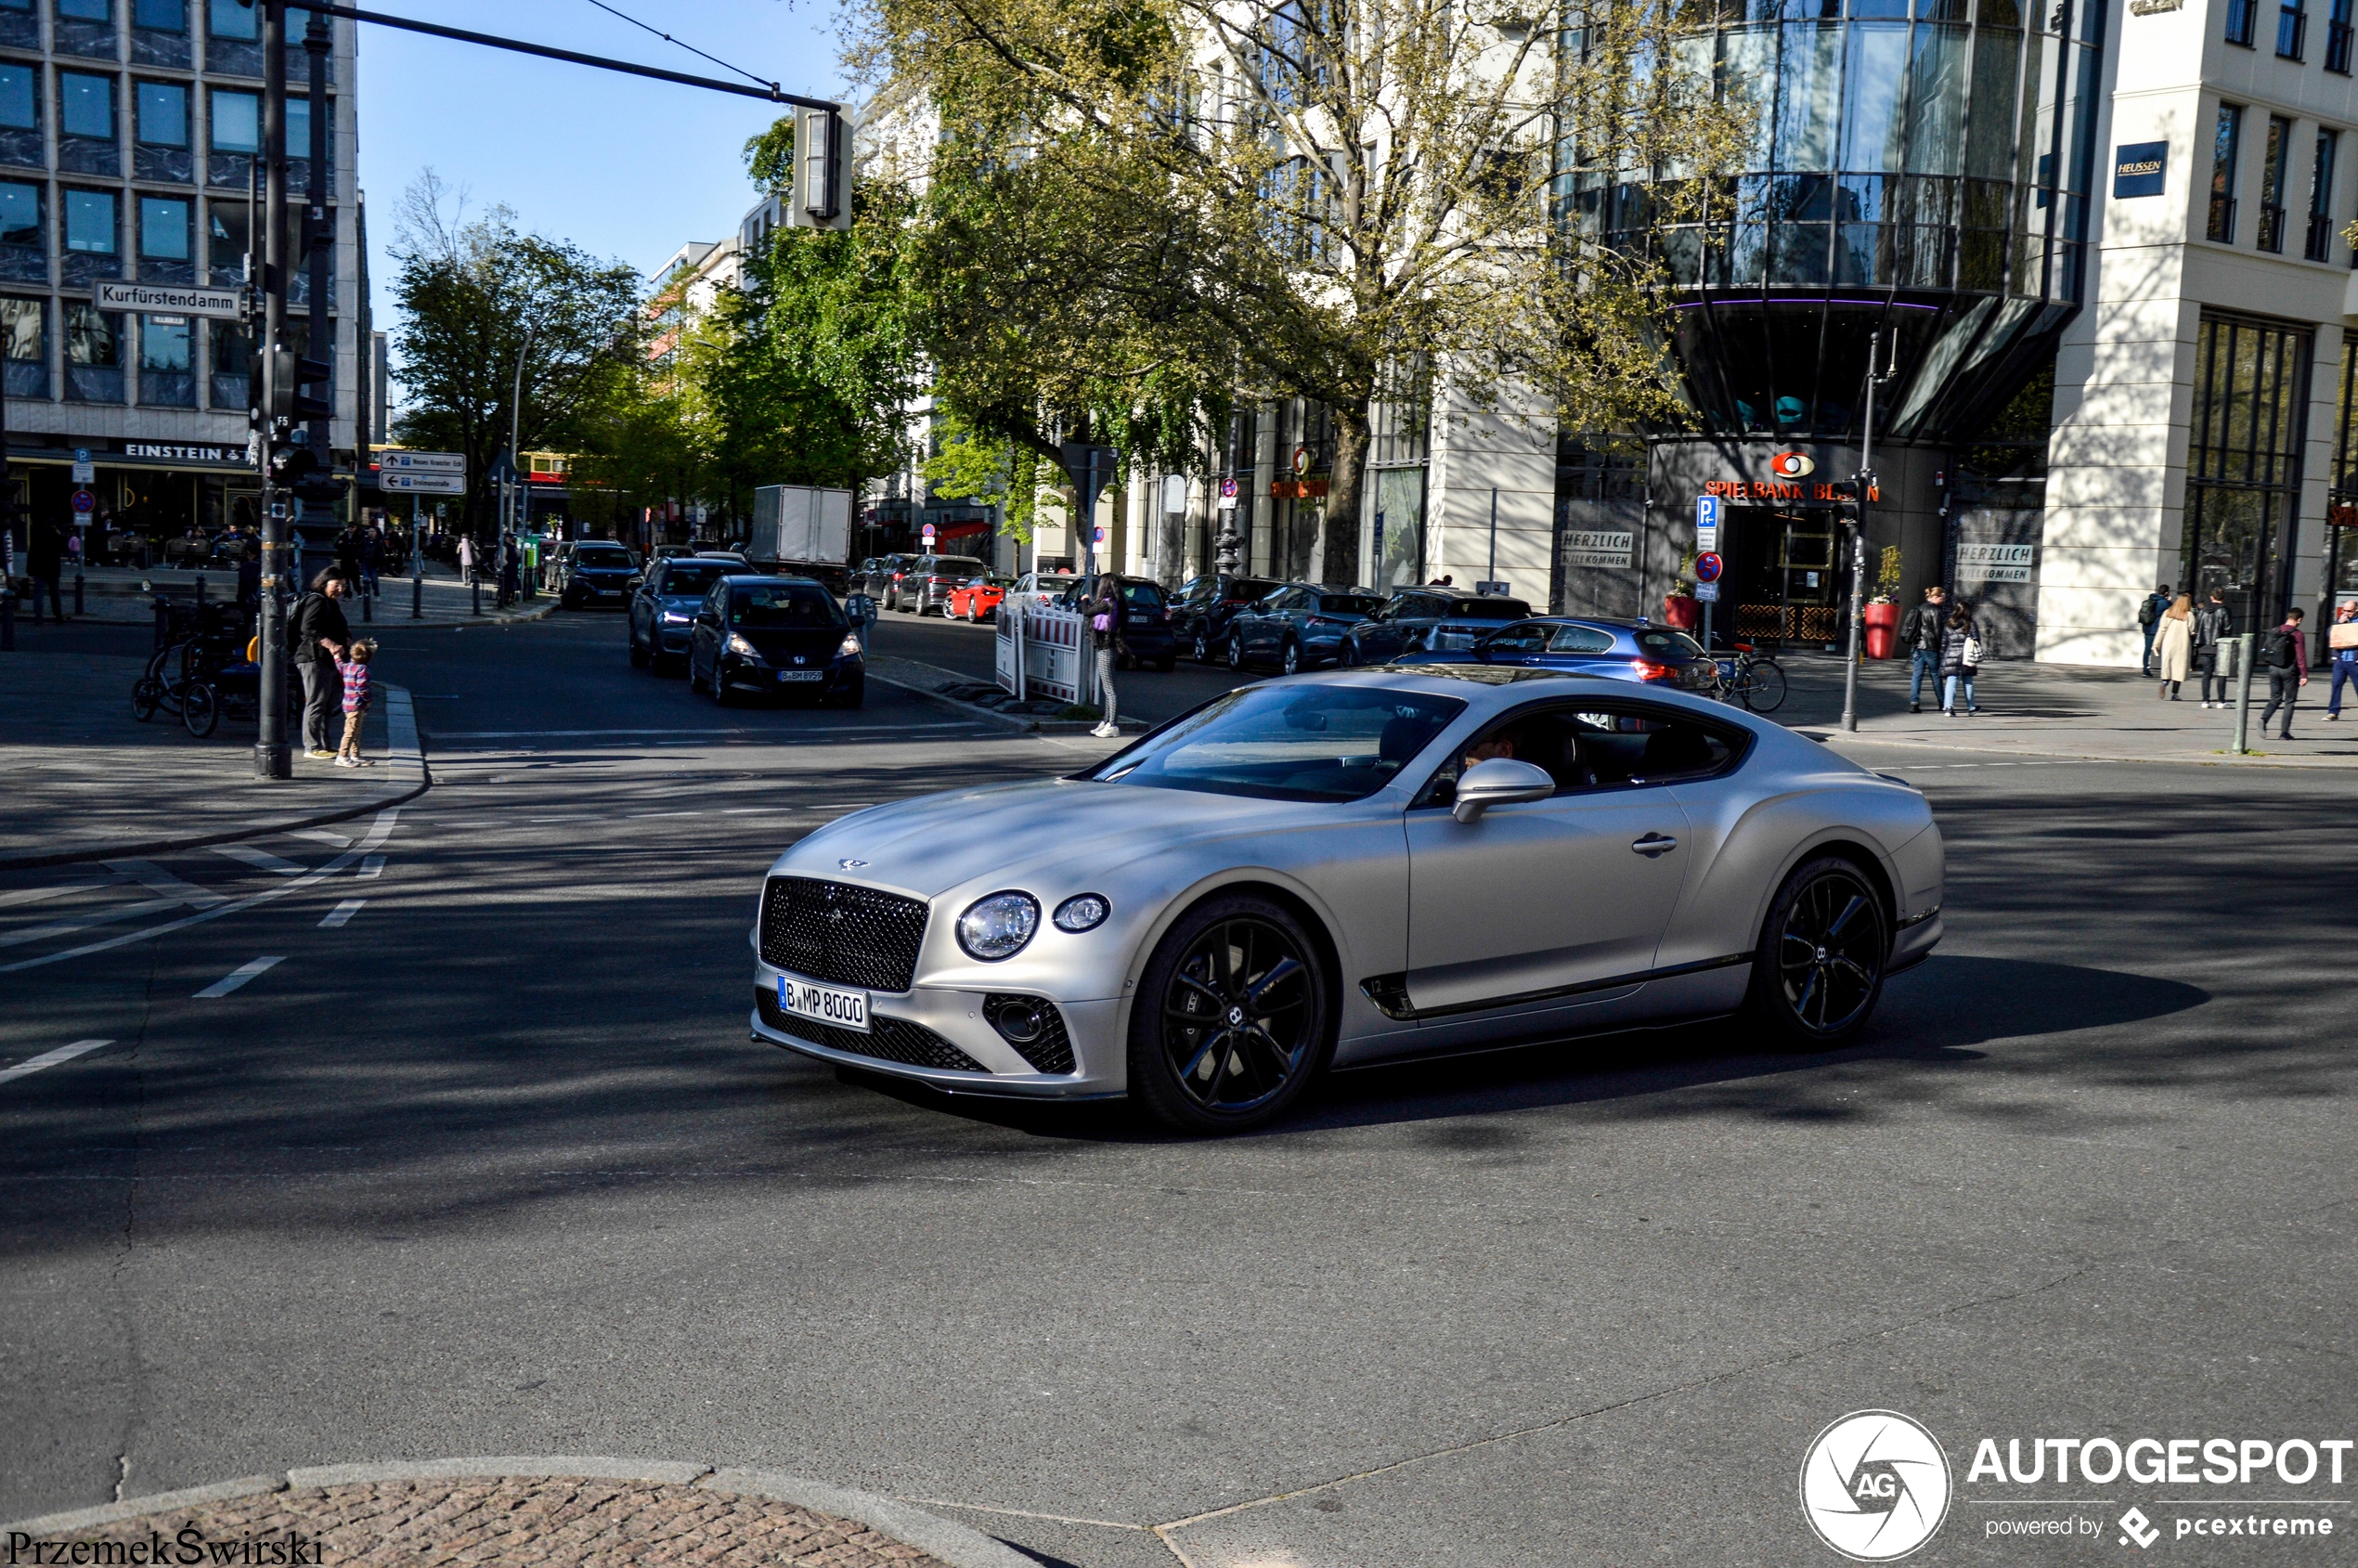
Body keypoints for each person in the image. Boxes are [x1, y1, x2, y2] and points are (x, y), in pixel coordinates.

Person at [291, 569, 353, 760]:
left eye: (343, 585)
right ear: (324, 583)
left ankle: (325, 744)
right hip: (313, 657)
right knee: (316, 701)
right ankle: (312, 746)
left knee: (328, 702)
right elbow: (308, 628)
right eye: (336, 585)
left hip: (330, 660)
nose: (340, 589)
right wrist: (331, 644)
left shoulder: (331, 603)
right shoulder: (316, 600)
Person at [2257, 604, 2309, 740]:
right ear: (2299, 620)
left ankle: (2264, 719)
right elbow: (2301, 656)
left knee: (2275, 698)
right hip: (2289, 671)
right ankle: (2284, 733)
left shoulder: (2275, 630)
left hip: (2273, 668)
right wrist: (2304, 674)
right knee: (2289, 701)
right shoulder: (2297, 634)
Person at [1899, 584, 1948, 713]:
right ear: (1935, 597)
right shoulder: (1937, 611)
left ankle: (1914, 702)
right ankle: (1942, 702)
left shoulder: (1919, 608)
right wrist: (1942, 648)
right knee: (1936, 675)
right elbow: (1938, 632)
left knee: (1917, 675)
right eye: (1942, 598)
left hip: (1917, 645)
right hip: (1931, 647)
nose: (1943, 600)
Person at [1087, 577, 1123, 738]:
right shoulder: (1117, 603)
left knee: (1109, 690)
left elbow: (1087, 612)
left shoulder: (1106, 603)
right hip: (1111, 648)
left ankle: (1112, 725)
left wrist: (1085, 600)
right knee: (1110, 688)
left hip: (1106, 649)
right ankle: (1106, 721)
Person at [334, 638, 376, 768]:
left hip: (347, 703)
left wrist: (336, 656)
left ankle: (355, 755)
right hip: (357, 704)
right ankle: (342, 756)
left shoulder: (347, 666)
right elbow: (362, 688)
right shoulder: (363, 669)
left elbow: (339, 665)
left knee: (354, 730)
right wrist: (368, 700)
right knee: (351, 732)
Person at [1938, 600, 1982, 716]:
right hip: (1967, 656)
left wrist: (1942, 655)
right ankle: (1971, 708)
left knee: (1951, 681)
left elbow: (1944, 642)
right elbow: (1976, 640)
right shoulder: (1971, 623)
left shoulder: (1949, 623)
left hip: (1951, 655)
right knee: (1968, 682)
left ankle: (1948, 707)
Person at [2193, 590, 2235, 707]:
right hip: (2220, 645)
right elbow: (2228, 628)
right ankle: (2221, 701)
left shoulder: (2203, 611)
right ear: (2223, 597)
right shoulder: (2225, 610)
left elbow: (2198, 627)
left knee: (2206, 674)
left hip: (2205, 645)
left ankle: (2205, 700)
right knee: (2221, 674)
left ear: (2211, 597)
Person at [2151, 592, 2194, 700]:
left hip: (2168, 644)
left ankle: (2164, 683)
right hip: (2182, 645)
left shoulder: (2167, 613)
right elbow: (2192, 630)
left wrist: (2156, 644)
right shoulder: (2189, 615)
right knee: (2179, 670)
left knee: (2168, 667)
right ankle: (2175, 694)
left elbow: (2162, 629)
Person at [26, 515, 64, 623]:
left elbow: (32, 554)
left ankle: (38, 616)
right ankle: (58, 615)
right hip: (53, 569)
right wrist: (59, 534)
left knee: (38, 594)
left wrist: (30, 570)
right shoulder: (56, 536)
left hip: (40, 568)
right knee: (55, 593)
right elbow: (64, 547)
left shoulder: (38, 536)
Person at [2327, 601, 2358, 720]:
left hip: (2355, 660)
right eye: (2344, 611)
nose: (2346, 613)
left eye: (2349, 611)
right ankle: (2333, 711)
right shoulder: (2340, 620)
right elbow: (2329, 634)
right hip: (2340, 660)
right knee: (2336, 684)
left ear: (2356, 610)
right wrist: (2339, 623)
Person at [2138, 582, 2173, 676]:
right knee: (2164, 649)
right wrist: (2169, 601)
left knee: (2147, 649)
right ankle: (2165, 670)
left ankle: (2145, 670)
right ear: (2166, 593)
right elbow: (2173, 609)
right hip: (2157, 629)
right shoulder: (2164, 602)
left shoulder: (2151, 599)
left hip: (2147, 628)